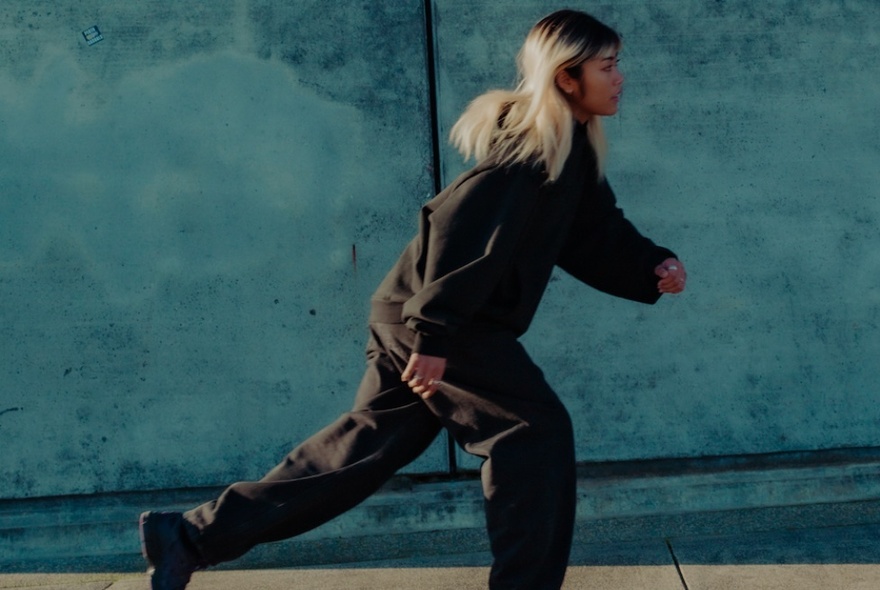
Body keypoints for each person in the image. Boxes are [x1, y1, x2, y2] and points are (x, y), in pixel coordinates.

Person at [138, 8, 687, 590]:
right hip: (444, 320)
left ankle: (190, 536)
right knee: (533, 432)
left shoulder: (570, 150)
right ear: (566, 77)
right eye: (608, 66)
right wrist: (433, 337)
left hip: (424, 315)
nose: (620, 77)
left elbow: (594, 231)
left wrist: (651, 266)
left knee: (360, 454)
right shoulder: (531, 151)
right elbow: (456, 230)